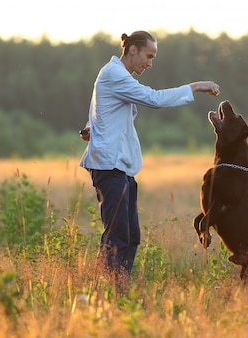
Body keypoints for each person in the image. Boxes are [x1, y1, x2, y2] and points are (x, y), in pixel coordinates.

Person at [79, 30, 220, 295]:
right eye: (149, 55)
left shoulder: (115, 76)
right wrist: (196, 86)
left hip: (121, 167)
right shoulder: (114, 73)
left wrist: (90, 126)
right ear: (132, 50)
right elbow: (154, 99)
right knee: (117, 236)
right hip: (110, 167)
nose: (150, 63)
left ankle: (117, 291)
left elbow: (102, 109)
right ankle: (106, 294)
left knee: (131, 237)